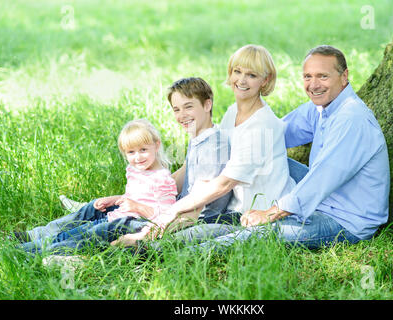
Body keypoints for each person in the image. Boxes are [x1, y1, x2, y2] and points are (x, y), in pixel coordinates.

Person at [170, 45, 390, 252]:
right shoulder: (324, 107)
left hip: (346, 218)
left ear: (344, 76)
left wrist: (270, 213)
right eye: (308, 77)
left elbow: (321, 180)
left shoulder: (352, 119)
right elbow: (274, 134)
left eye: (323, 76)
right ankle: (189, 208)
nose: (314, 85)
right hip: (325, 198)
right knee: (266, 155)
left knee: (262, 233)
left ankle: (184, 254)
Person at [113, 44, 297, 246]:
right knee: (140, 222)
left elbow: (223, 184)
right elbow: (194, 166)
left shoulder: (261, 127)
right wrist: (147, 192)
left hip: (252, 217)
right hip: (230, 208)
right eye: (237, 72)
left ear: (266, 79)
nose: (242, 80)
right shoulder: (233, 112)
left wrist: (172, 211)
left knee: (167, 243)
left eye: (252, 75)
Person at [19, 119, 178, 254]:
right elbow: (136, 196)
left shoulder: (163, 180)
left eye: (143, 150)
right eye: (131, 152)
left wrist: (136, 206)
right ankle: (29, 244)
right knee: (74, 232)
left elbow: (165, 216)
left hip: (133, 225)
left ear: (156, 145)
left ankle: (32, 254)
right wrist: (114, 199)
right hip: (115, 217)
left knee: (82, 237)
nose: (137, 157)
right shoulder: (135, 170)